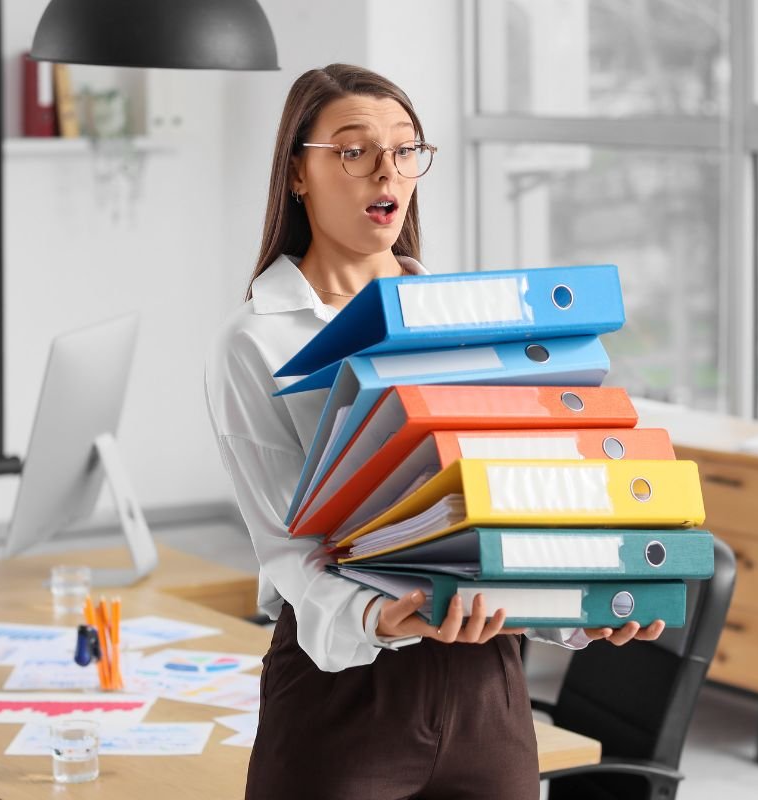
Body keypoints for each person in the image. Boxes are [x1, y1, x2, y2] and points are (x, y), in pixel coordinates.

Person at [204, 63, 665, 800]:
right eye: (354, 150)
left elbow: (518, 506)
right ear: (298, 173)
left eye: (405, 149)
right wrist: (382, 615)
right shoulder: (254, 340)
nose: (387, 170)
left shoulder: (475, 322)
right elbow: (289, 551)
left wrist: (587, 611)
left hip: (489, 691)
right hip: (345, 696)